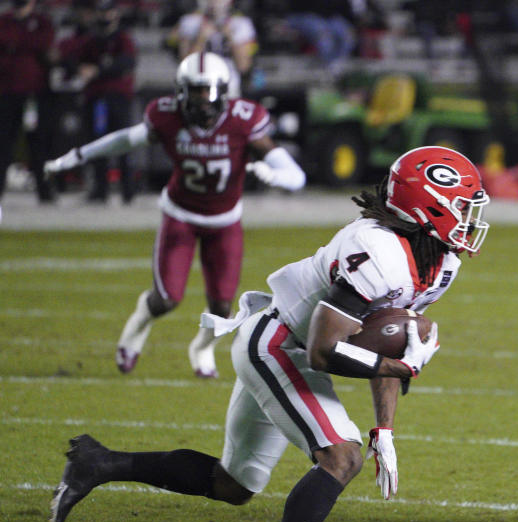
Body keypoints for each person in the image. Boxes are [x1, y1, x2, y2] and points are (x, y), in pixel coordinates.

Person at [48, 145, 492, 522]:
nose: (469, 218)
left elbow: (391, 339)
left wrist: (385, 427)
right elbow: (324, 350)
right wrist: (398, 368)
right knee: (341, 457)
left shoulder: (441, 262)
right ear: (429, 207)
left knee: (233, 485)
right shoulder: (378, 249)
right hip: (279, 343)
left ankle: (99, 464)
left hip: (290, 346)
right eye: (462, 207)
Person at [44, 51, 305, 378]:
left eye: (207, 90)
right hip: (180, 214)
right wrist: (77, 155)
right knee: (167, 297)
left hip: (224, 221)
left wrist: (279, 175)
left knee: (222, 306)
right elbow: (125, 140)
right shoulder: (166, 115)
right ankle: (137, 327)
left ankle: (202, 347)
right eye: (194, 91)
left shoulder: (244, 119)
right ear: (180, 91)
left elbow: (295, 175)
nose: (201, 101)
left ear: (224, 91)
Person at [72, 0, 138, 203]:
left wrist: (99, 70)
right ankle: (100, 189)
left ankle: (127, 189)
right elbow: (77, 60)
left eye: (108, 12)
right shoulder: (92, 39)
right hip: (96, 99)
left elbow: (126, 63)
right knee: (97, 144)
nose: (105, 16)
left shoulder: (122, 38)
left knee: (123, 142)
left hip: (117, 98)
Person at [0, 0, 56, 203]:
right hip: (6, 92)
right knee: (3, 143)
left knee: (38, 143)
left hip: (34, 93)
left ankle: (44, 191)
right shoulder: (5, 20)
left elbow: (44, 42)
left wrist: (14, 45)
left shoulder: (41, 22)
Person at [172, 0, 257, 97]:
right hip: (197, 86)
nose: (214, 2)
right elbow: (185, 64)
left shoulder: (241, 23)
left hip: (229, 85)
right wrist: (201, 38)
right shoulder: (189, 21)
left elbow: (243, 66)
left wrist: (230, 38)